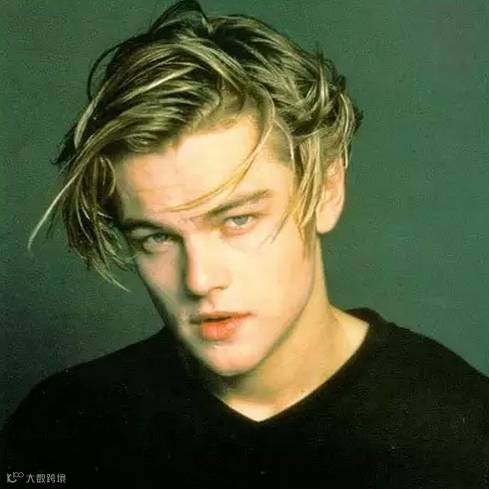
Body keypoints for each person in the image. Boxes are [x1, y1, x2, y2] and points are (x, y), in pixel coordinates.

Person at [2, 1, 488, 487]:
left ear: (326, 191)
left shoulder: (461, 432)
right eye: (158, 236)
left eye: (238, 220)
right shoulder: (60, 427)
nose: (200, 280)